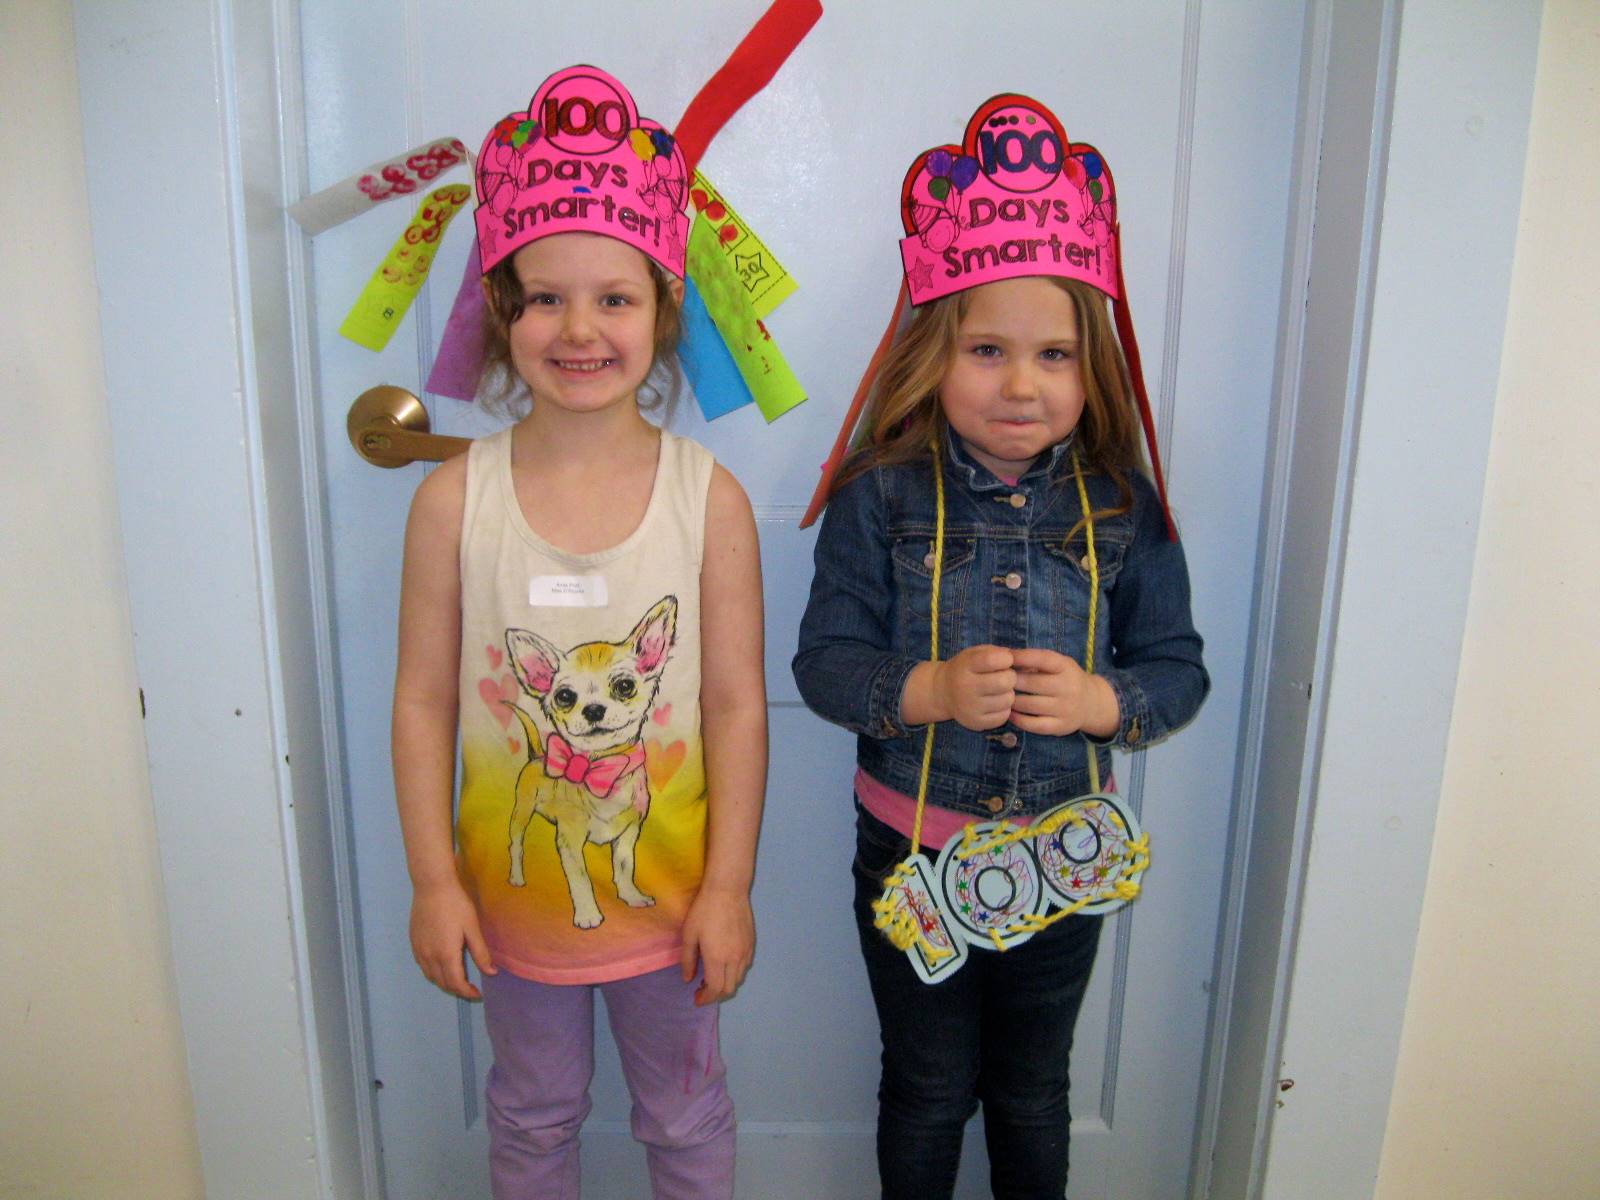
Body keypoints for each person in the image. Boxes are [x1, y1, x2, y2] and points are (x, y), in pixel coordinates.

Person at [792, 91, 1209, 1199]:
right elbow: (823, 663)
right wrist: (921, 688)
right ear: (934, 351)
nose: (1021, 384)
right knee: (925, 1088)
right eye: (986, 349)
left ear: (1091, 370)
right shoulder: (877, 494)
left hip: (1062, 860)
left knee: (1033, 1088)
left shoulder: (1125, 502)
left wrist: (1102, 707)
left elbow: (1179, 667)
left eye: (1054, 356)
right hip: (911, 856)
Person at [391, 64, 775, 1200]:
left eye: (613, 297)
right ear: (503, 313)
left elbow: (736, 705)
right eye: (544, 297)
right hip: (511, 920)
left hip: (675, 910)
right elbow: (420, 701)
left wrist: (730, 888)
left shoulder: (711, 501)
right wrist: (431, 881)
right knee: (532, 1114)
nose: (578, 327)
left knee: (685, 1111)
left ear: (664, 313)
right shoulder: (454, 500)